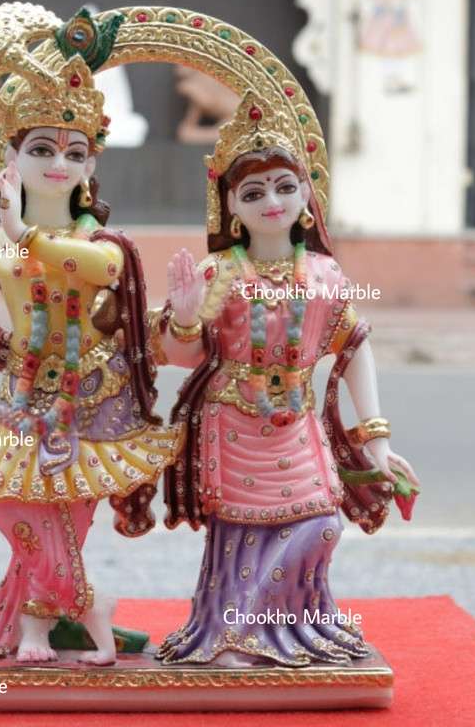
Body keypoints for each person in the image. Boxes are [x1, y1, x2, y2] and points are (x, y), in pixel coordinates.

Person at [0, 2, 179, 665]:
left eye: (73, 152)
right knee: (11, 512)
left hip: (92, 403)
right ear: (11, 157)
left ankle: (42, 626)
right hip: (23, 401)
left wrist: (24, 234)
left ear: (89, 167)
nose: (57, 163)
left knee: (67, 519)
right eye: (41, 149)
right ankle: (79, 610)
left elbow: (94, 269)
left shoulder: (100, 243)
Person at [150, 92, 420, 667]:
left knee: (322, 524)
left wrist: (377, 439)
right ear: (230, 207)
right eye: (252, 192)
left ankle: (271, 631)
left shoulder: (323, 274)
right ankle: (231, 635)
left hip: (296, 425)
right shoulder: (217, 274)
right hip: (233, 425)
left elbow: (354, 345)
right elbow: (180, 355)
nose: (270, 201)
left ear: (305, 198)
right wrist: (182, 315)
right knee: (242, 536)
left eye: (283, 187)